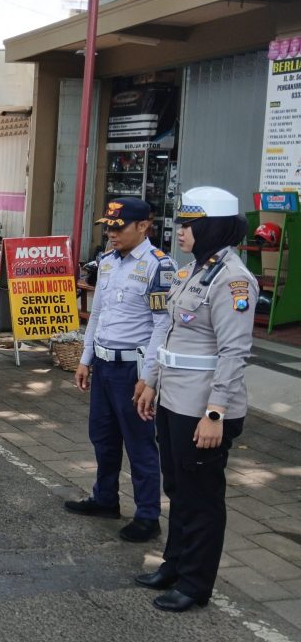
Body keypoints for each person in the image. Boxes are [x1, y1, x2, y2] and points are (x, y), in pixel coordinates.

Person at [134, 186, 255, 612]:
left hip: (204, 409)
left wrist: (215, 413)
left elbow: (234, 353)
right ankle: (174, 564)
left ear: (212, 228)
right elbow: (167, 331)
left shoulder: (234, 280)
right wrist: (150, 380)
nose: (180, 231)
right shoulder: (192, 271)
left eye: (189, 225)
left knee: (202, 498)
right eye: (181, 223)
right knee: (178, 487)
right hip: (173, 400)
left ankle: (195, 584)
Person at [64, 197, 174, 542]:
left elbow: (162, 326)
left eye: (118, 227)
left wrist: (150, 377)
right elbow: (97, 314)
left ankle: (147, 516)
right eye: (107, 227)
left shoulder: (160, 266)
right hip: (104, 365)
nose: (111, 233)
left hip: (134, 371)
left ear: (143, 226)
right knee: (103, 437)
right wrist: (85, 358)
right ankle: (105, 498)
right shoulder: (108, 262)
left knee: (140, 444)